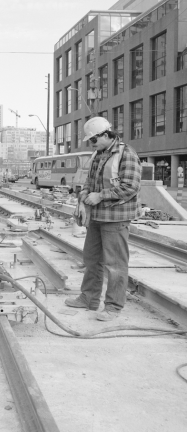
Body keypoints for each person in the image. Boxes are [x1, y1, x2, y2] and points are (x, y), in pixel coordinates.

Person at [65, 117, 141, 321]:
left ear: (106, 135)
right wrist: (84, 197)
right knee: (91, 259)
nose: (92, 144)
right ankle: (89, 298)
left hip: (116, 218)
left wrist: (100, 195)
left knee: (115, 264)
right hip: (96, 217)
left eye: (93, 139)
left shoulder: (126, 154)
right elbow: (89, 183)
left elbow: (130, 187)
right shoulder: (98, 155)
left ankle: (113, 307)